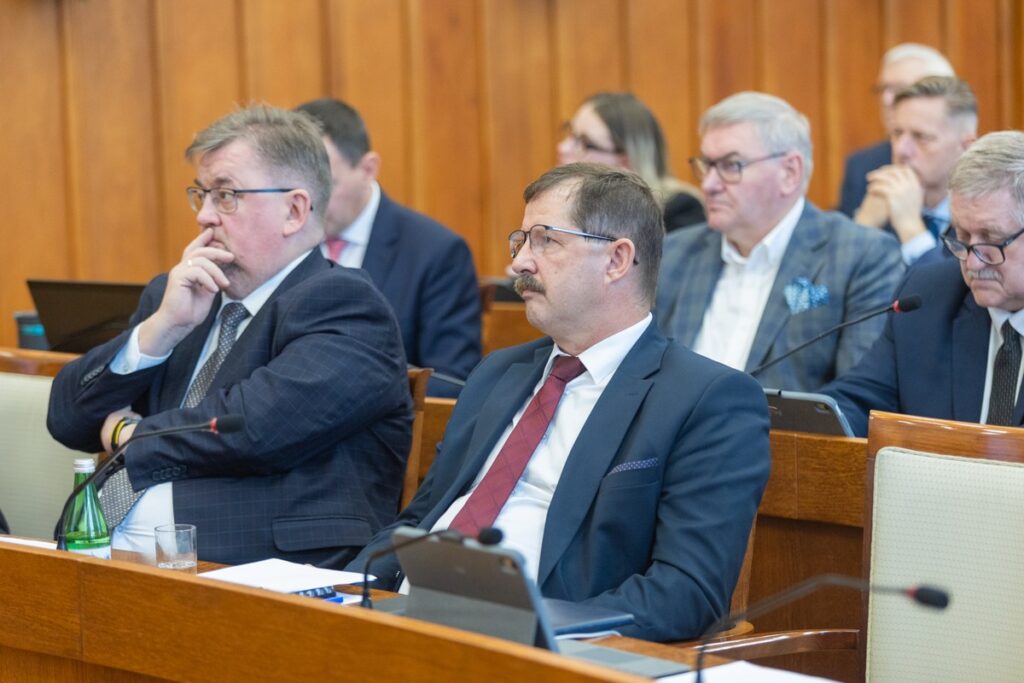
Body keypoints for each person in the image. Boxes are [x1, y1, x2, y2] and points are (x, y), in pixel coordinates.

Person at [348, 163, 771, 642]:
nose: (520, 263)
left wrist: (536, 628)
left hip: (540, 647)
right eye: (522, 241)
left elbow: (685, 594)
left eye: (546, 240)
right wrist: (342, 588)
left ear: (616, 260)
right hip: (402, 620)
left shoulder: (707, 399)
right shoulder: (497, 373)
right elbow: (419, 521)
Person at [47, 105, 413, 566]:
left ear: (294, 210)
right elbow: (67, 419)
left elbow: (250, 427)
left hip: (259, 570)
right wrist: (161, 330)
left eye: (225, 196)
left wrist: (128, 432)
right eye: (200, 195)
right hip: (114, 560)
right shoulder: (179, 298)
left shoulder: (345, 305)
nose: (203, 217)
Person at [656, 92, 904, 392]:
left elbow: (858, 396)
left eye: (731, 165)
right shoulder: (674, 253)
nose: (708, 184)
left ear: (789, 173)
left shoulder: (860, 256)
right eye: (707, 165)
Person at [825, 131, 1024, 436]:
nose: (972, 263)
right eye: (962, 237)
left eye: (992, 240)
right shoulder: (929, 296)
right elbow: (856, 404)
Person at [295, 98, 481, 397]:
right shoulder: (279, 241)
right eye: (297, 189)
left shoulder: (436, 252)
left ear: (368, 169)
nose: (308, 205)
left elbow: (449, 384)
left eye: (326, 185)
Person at [853, 77, 977, 265]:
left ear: (966, 147)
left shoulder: (985, 215)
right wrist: (863, 227)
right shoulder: (878, 197)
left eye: (921, 137)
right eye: (897, 133)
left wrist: (910, 229)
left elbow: (952, 291)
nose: (901, 149)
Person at [558, 92, 705, 232]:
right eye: (570, 132)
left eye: (585, 143)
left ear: (626, 162)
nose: (562, 148)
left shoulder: (680, 211)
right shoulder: (559, 205)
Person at [838, 43, 955, 217]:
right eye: (883, 89)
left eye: (901, 90)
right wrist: (864, 225)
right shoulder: (864, 167)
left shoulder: (986, 176)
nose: (886, 100)